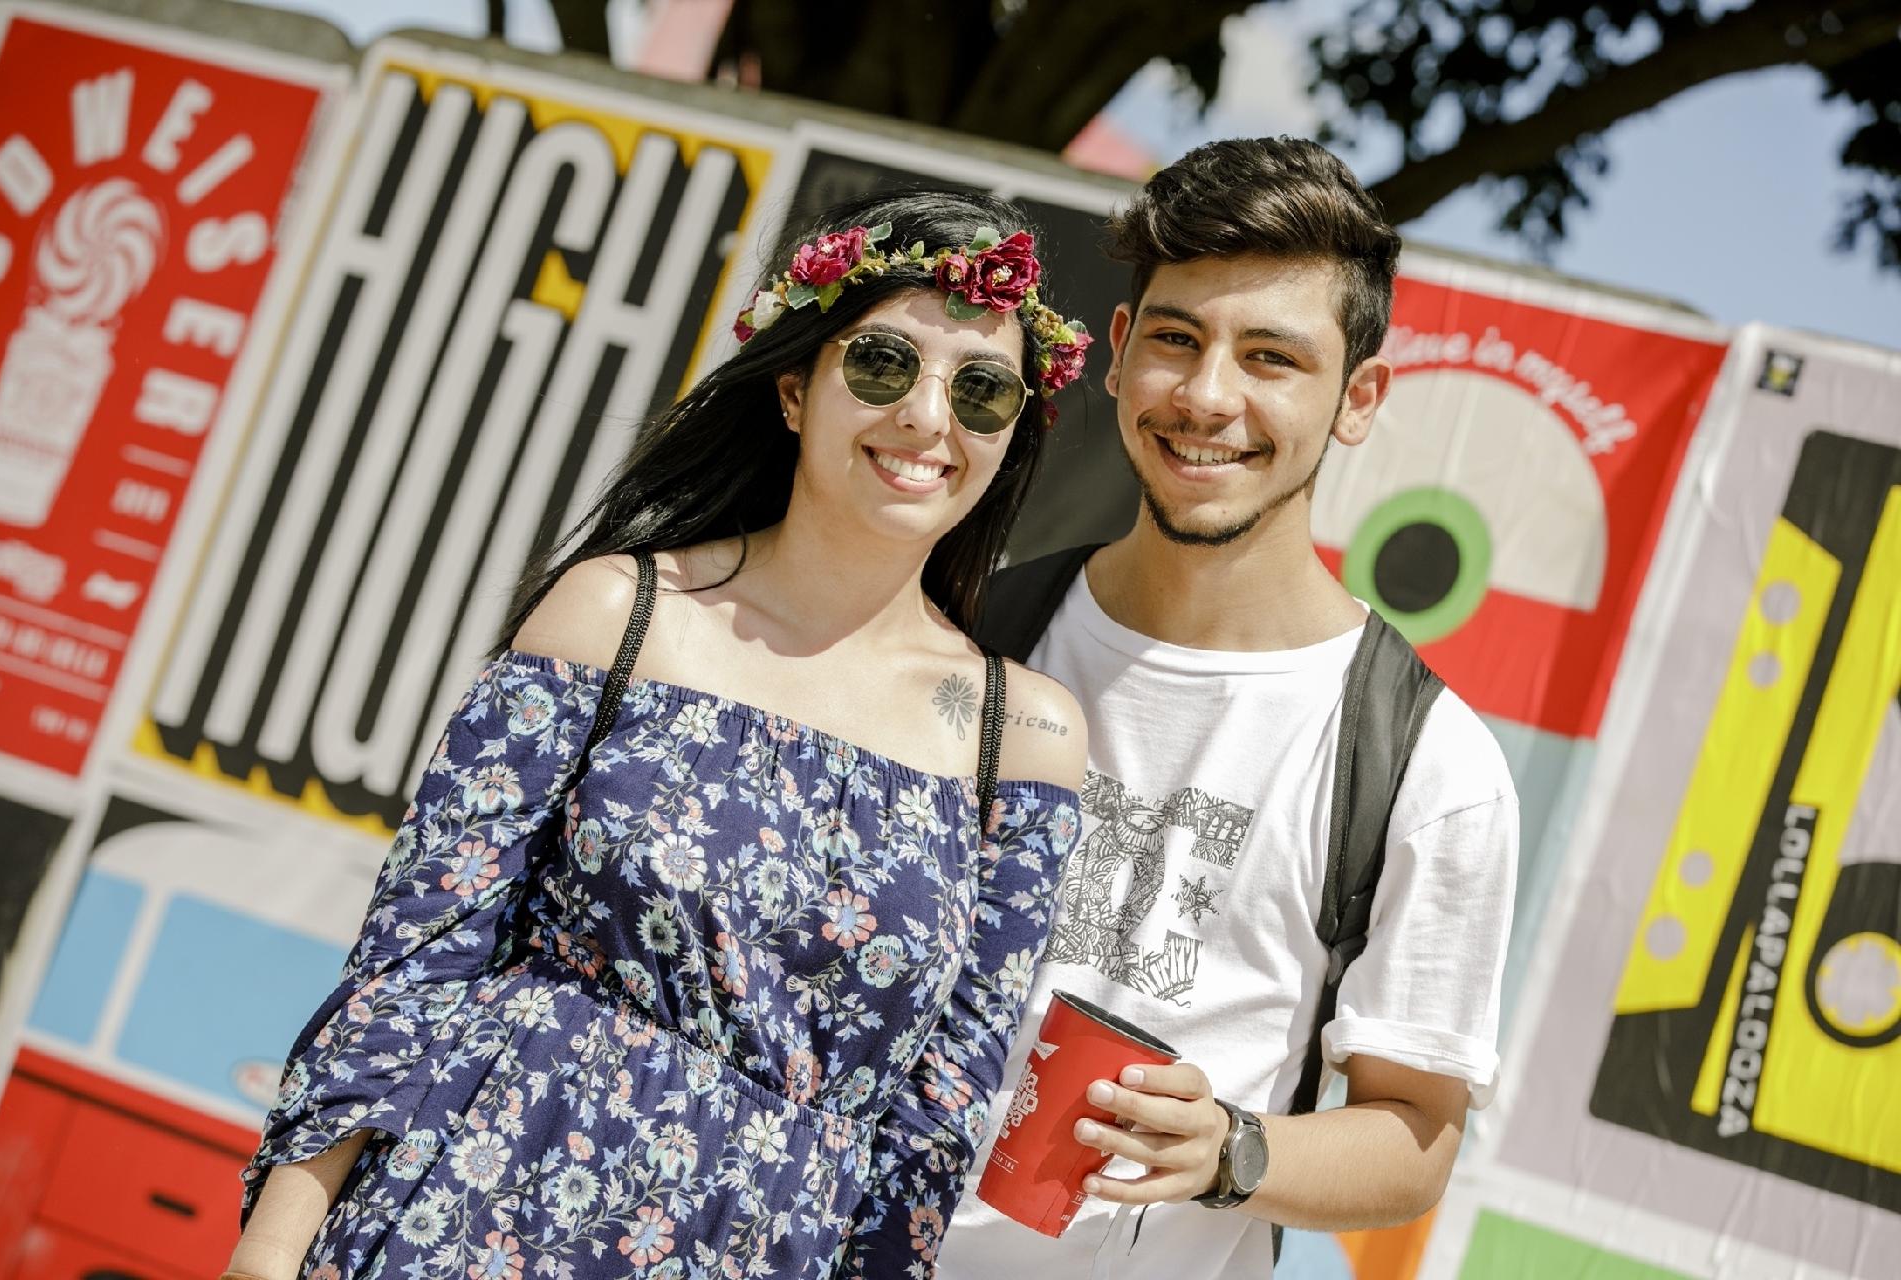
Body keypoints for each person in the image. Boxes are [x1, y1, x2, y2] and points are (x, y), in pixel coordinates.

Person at [221, 189, 1091, 1280]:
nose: (927, 417)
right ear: (793, 389)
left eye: (981, 390)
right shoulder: (616, 613)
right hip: (466, 1207)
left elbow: (933, 1130)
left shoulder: (1025, 736)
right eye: (880, 363)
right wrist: (270, 1251)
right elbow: (414, 961)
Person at [936, 138, 1519, 1279]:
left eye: (1270, 358)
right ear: (1114, 354)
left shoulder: (1428, 765)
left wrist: (1228, 1148)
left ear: (1358, 399)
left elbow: (1413, 1137)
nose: (1208, 397)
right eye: (1175, 339)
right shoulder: (962, 626)